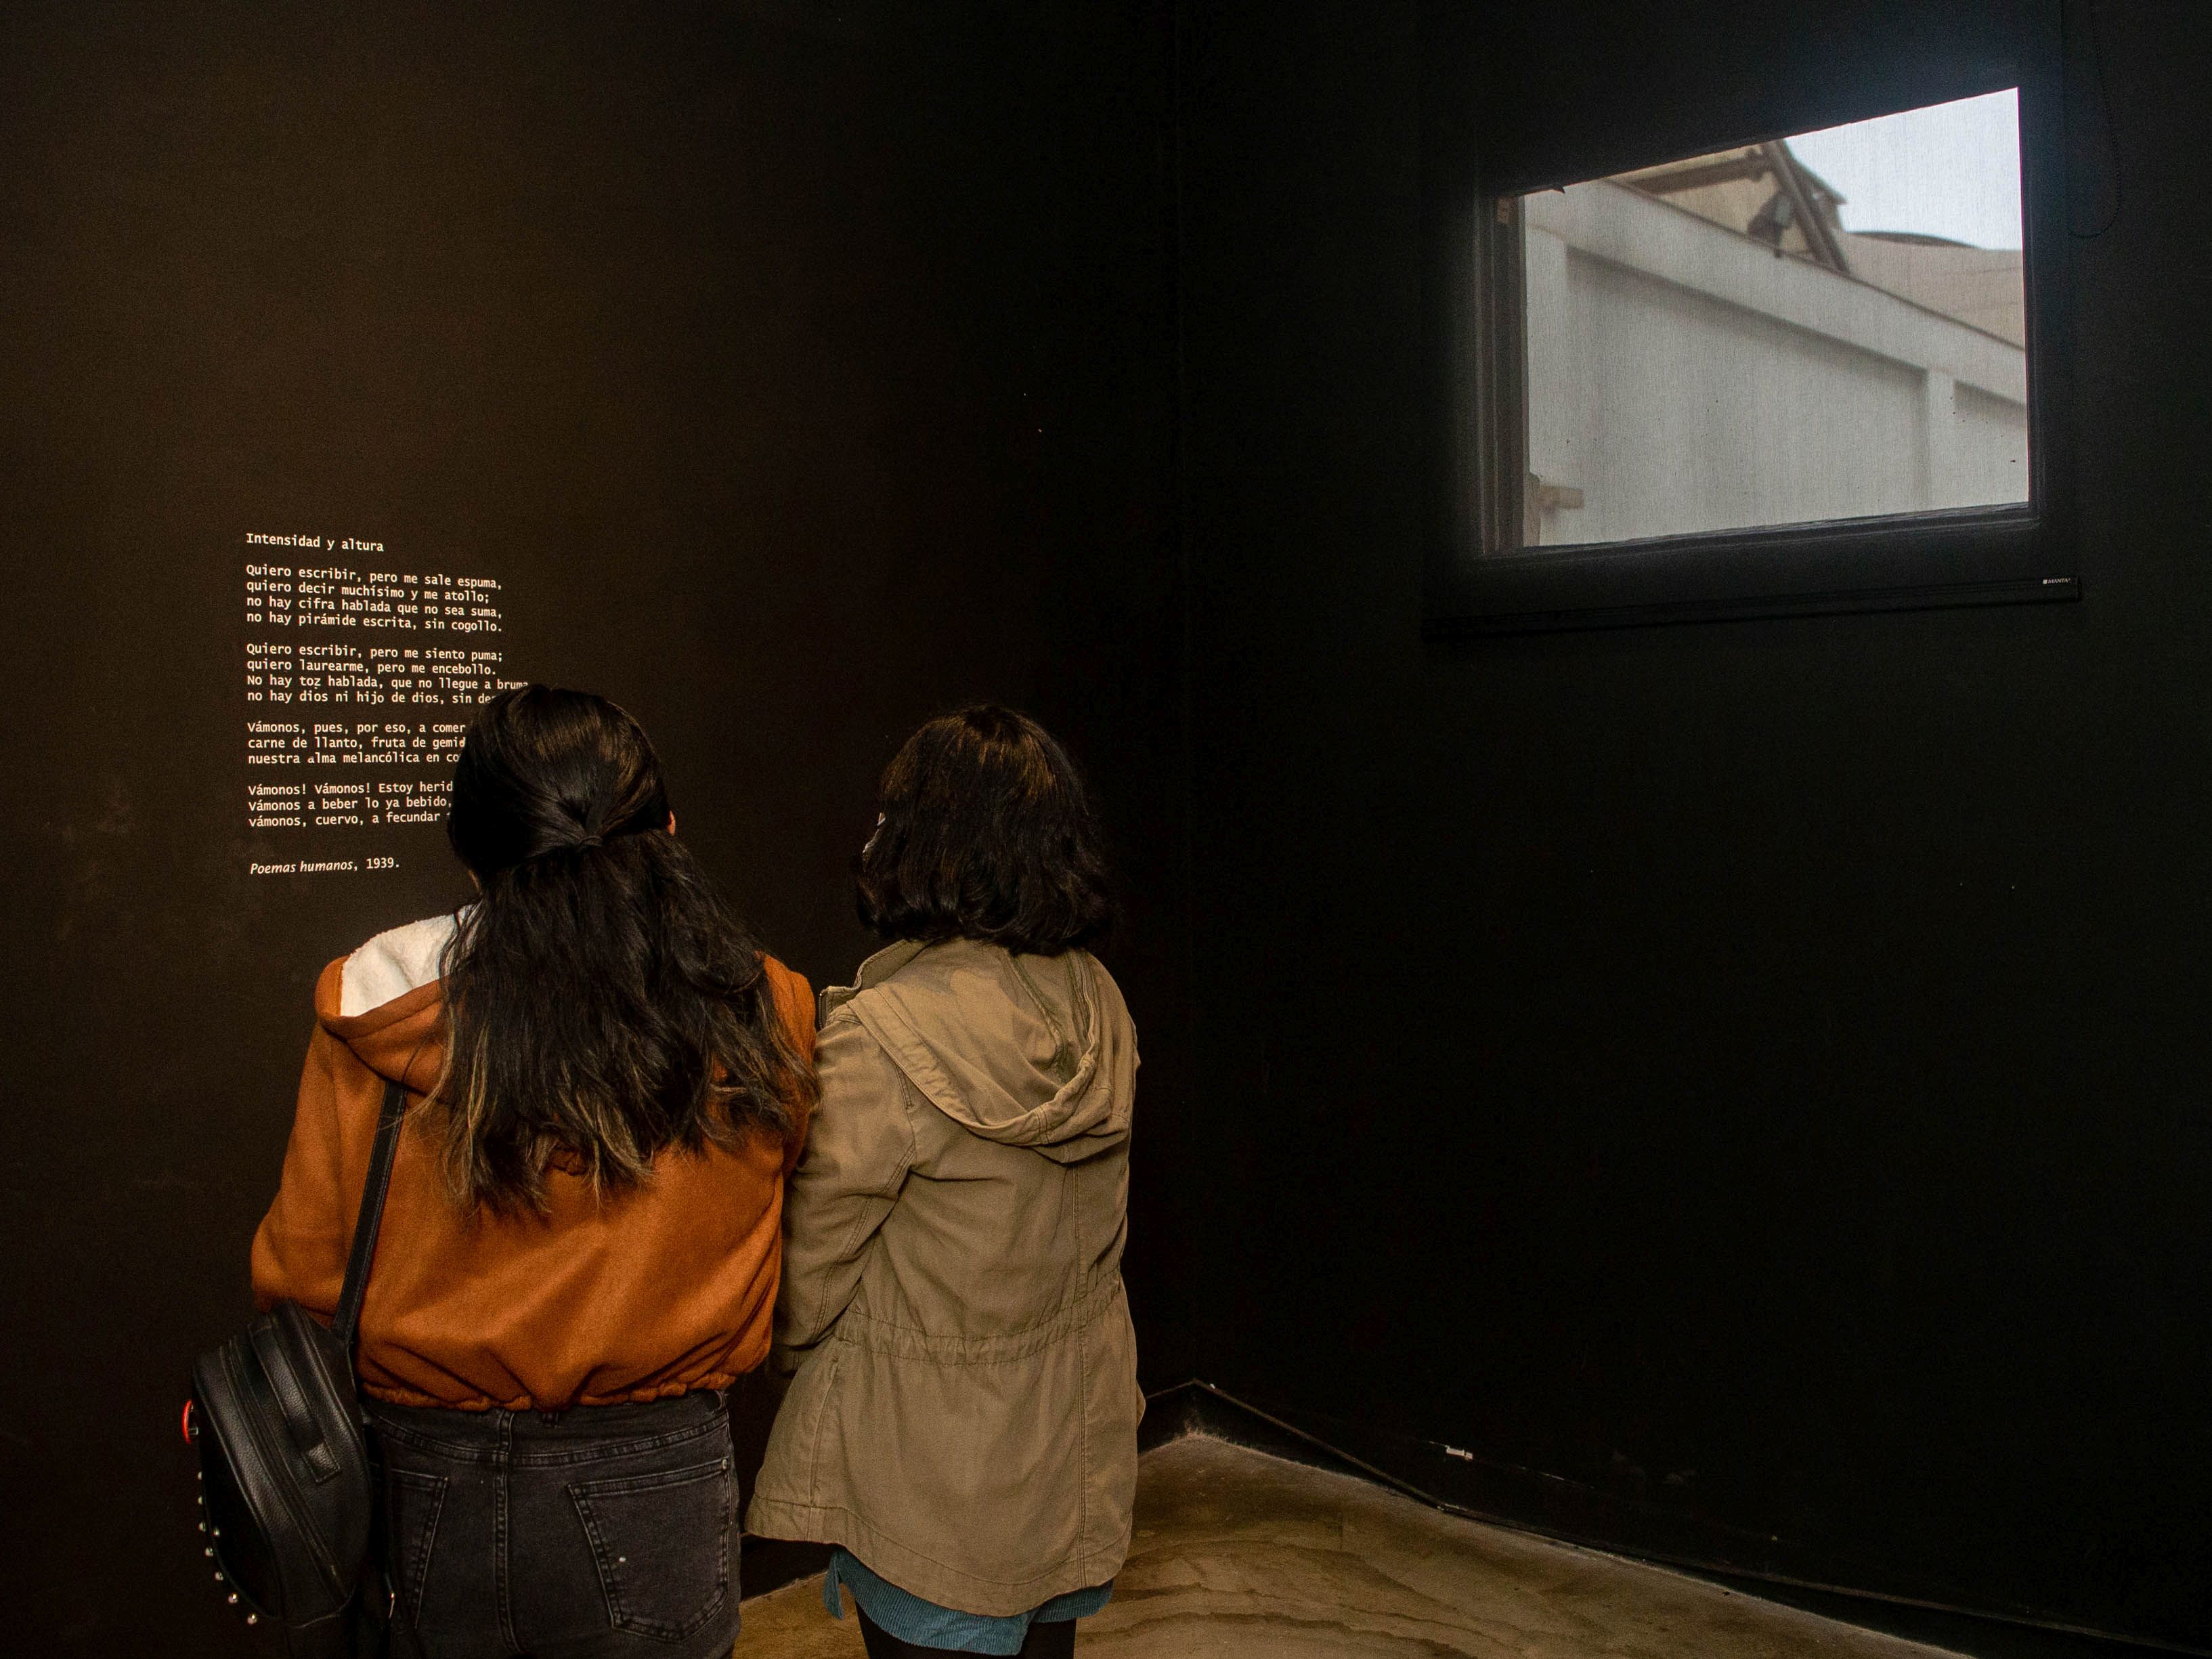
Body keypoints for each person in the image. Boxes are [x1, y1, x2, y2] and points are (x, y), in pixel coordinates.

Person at [251, 685, 817, 1659]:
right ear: (670, 831)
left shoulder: (375, 1009)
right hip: (659, 1484)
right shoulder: (764, 1007)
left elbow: (301, 1274)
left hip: (427, 1488)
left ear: (473, 855)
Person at [747, 706, 1142, 1659]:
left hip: (934, 1490)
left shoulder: (884, 1037)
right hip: (1071, 1465)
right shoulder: (1097, 998)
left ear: (926, 840)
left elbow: (801, 1284)